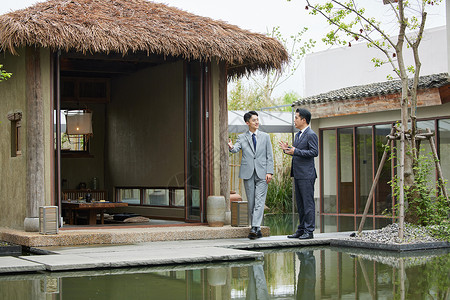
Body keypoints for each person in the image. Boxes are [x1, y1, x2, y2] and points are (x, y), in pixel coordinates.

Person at [228, 111, 274, 239]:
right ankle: (257, 229)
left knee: (259, 201)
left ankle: (254, 227)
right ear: (247, 123)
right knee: (252, 202)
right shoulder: (242, 137)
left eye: (258, 120)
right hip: (248, 173)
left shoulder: (265, 137)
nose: (257, 122)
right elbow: (236, 148)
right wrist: (231, 147)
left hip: (263, 173)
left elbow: (269, 156)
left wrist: (270, 171)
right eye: (254, 120)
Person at [279, 108, 318, 240]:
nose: (294, 120)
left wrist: (295, 151)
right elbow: (297, 152)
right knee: (300, 204)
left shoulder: (311, 134)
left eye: (296, 118)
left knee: (308, 204)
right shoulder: (298, 135)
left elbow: (314, 152)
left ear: (303, 120)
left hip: (307, 175)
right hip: (298, 174)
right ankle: (301, 230)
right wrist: (287, 150)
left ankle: (309, 231)